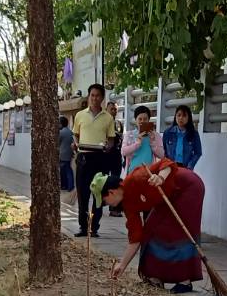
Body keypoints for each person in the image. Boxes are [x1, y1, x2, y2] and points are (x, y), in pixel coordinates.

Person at [100, 158, 205, 294]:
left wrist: (160, 177)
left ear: (111, 192)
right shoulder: (128, 206)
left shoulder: (136, 178)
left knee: (177, 232)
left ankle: (184, 281)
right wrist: (122, 265)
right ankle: (155, 277)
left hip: (188, 187)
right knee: (150, 230)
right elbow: (136, 236)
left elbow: (167, 163)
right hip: (167, 197)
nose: (106, 205)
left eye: (105, 202)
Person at [72, 83, 116, 236]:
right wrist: (76, 144)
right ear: (89, 96)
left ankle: (94, 228)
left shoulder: (108, 118)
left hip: (100, 158)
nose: (95, 98)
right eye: (92, 95)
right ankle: (83, 227)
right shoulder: (80, 115)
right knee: (83, 194)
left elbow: (111, 140)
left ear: (102, 98)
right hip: (83, 158)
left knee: (98, 194)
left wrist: (107, 147)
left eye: (98, 95)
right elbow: (75, 135)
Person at [121, 105, 163, 174]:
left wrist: (153, 142)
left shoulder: (155, 135)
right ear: (135, 120)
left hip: (149, 173)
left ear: (149, 120)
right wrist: (137, 144)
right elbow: (123, 152)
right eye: (140, 119)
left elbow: (161, 155)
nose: (142, 121)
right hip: (133, 172)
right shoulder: (129, 134)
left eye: (145, 119)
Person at [162, 104, 203, 170]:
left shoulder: (194, 134)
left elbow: (198, 152)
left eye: (184, 116)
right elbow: (163, 151)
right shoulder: (167, 132)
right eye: (179, 115)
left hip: (186, 167)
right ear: (175, 117)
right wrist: (167, 164)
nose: (181, 118)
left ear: (188, 118)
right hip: (170, 166)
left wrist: (190, 166)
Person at [58, 115, 75, 192]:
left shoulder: (61, 132)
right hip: (69, 154)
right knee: (68, 170)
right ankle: (70, 186)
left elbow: (57, 143)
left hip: (62, 155)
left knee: (63, 171)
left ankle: (65, 186)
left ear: (61, 124)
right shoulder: (70, 132)